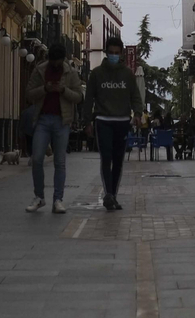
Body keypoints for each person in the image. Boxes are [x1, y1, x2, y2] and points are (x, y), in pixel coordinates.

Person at [23, 44, 83, 213]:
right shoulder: (40, 70)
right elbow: (29, 93)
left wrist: (63, 90)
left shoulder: (70, 73)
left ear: (63, 60)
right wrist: (45, 89)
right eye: (53, 62)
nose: (55, 65)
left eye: (58, 62)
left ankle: (58, 199)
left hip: (62, 121)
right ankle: (39, 197)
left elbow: (78, 96)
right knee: (36, 159)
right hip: (42, 120)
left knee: (60, 162)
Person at [86, 37, 143, 210]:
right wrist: (87, 121)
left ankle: (113, 195)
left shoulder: (128, 74)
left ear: (122, 54)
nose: (113, 56)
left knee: (118, 160)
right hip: (102, 121)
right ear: (106, 52)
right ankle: (108, 194)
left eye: (117, 53)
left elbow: (135, 96)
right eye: (111, 53)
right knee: (106, 157)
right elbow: (88, 99)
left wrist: (138, 114)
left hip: (122, 121)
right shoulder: (96, 74)